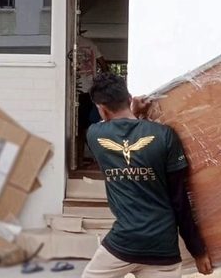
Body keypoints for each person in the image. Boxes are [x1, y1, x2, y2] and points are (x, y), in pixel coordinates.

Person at [82, 73, 213, 278]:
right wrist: (198, 250)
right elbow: (181, 201)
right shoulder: (165, 135)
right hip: (162, 248)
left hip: (123, 244)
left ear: (103, 110)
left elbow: (119, 126)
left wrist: (134, 112)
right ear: (128, 98)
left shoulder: (95, 135)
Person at [76, 33, 108, 167]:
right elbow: (104, 66)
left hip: (73, 90)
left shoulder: (67, 42)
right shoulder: (90, 43)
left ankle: (78, 160)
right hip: (89, 91)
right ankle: (90, 159)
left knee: (77, 128)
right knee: (88, 126)